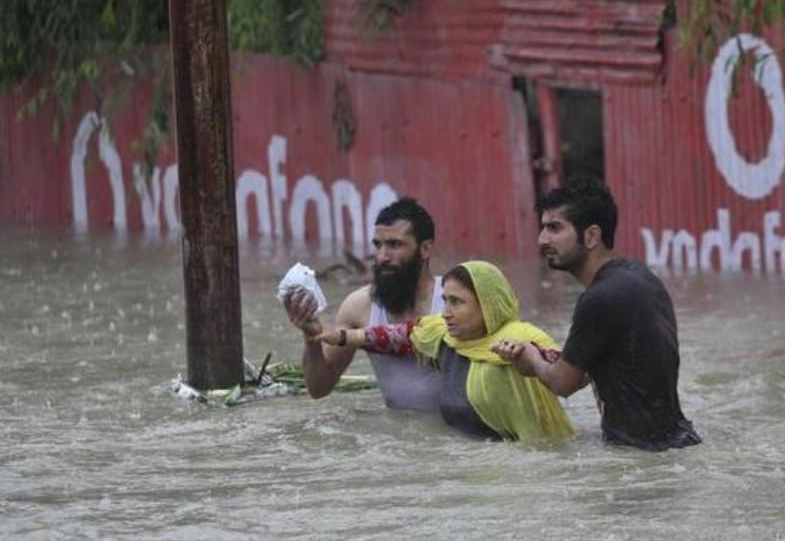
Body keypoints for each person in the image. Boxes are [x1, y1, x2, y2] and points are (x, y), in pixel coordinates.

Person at [493, 177, 701, 451]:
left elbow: (562, 383)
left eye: (554, 228)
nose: (542, 240)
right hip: (677, 441)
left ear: (591, 236)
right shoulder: (642, 278)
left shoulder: (599, 299)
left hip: (638, 455)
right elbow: (588, 372)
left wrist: (531, 355)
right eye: (542, 228)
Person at [310, 261, 573, 442]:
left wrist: (529, 358)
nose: (445, 312)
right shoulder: (442, 335)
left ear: (488, 305)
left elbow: (567, 369)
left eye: (457, 302)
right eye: (445, 300)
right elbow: (392, 336)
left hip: (528, 459)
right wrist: (337, 336)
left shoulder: (523, 338)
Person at [284, 198, 442, 410]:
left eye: (394, 245)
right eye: (378, 245)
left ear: (425, 249)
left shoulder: (454, 299)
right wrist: (312, 337)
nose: (382, 256)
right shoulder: (359, 306)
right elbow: (319, 389)